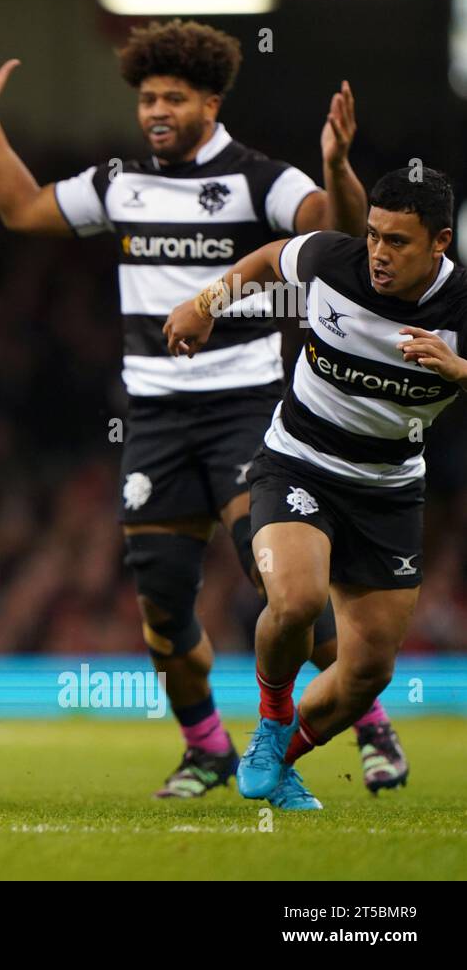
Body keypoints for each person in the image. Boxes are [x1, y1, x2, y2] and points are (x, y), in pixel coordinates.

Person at [0, 20, 407, 798]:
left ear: (211, 101)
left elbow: (343, 231)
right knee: (162, 611)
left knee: (281, 588)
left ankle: (368, 723)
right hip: (155, 421)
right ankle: (207, 749)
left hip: (247, 412)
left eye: (173, 97)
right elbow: (23, 207)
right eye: (147, 98)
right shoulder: (122, 182)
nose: (156, 110)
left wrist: (334, 164)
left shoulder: (261, 180)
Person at [165, 166, 461, 808]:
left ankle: (286, 757)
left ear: (440, 242)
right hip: (297, 463)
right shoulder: (335, 259)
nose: (379, 254)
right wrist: (203, 304)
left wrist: (459, 368)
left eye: (399, 242)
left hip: (388, 492)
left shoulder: (461, 306)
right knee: (295, 601)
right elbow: (272, 258)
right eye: (374, 235)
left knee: (367, 672)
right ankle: (271, 723)